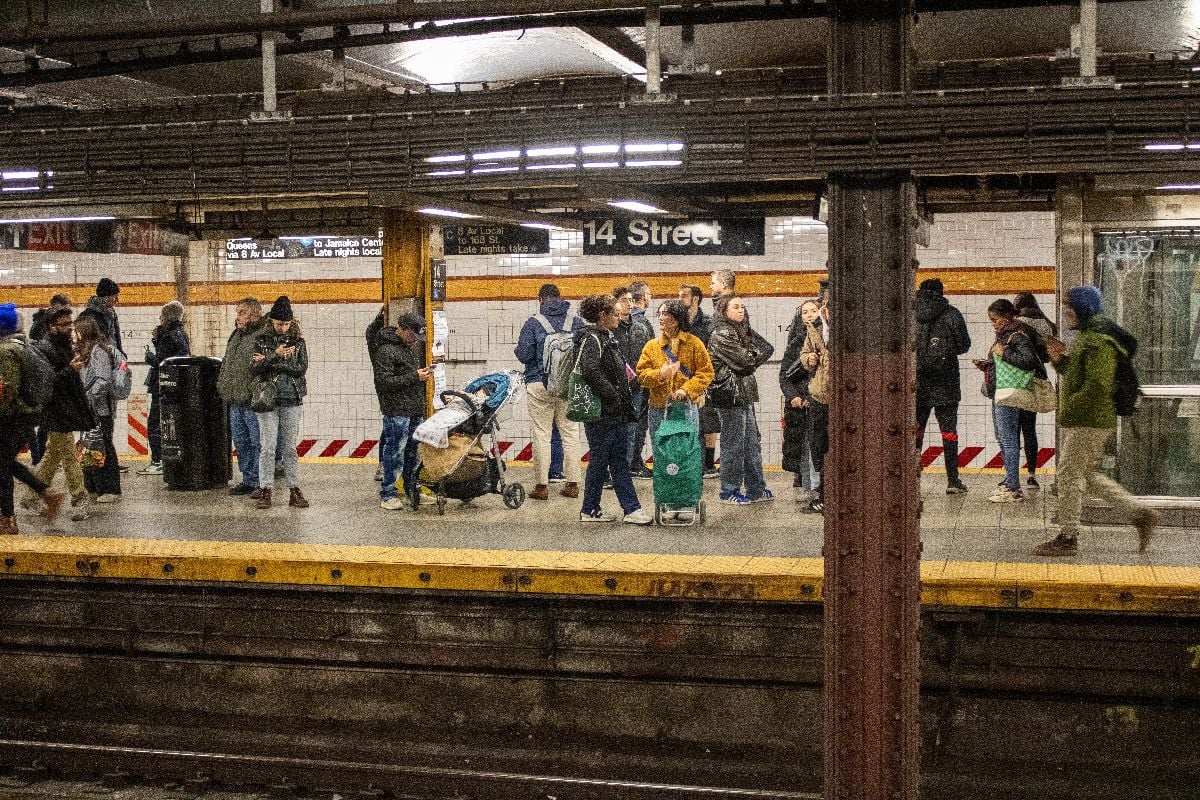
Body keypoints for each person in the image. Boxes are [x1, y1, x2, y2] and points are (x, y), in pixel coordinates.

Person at [1033, 286, 1159, 557]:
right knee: (1086, 474)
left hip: (1089, 420)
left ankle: (1068, 537)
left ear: (1083, 308)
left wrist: (1071, 407)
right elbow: (1077, 374)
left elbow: (1098, 384)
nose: (1066, 311)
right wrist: (1058, 360)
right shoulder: (1089, 336)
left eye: (1070, 305)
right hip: (1088, 418)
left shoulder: (1098, 340)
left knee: (1068, 474)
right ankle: (1139, 514)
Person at [574, 294, 652, 525]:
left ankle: (602, 509)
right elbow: (590, 371)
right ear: (603, 316)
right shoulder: (592, 340)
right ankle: (624, 509)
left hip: (611, 411)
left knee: (612, 460)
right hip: (602, 412)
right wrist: (613, 395)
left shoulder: (605, 338)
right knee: (605, 460)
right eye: (615, 314)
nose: (619, 318)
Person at [20, 307, 92, 522]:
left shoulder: (65, 346)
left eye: (70, 323)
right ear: (52, 327)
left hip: (66, 408)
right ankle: (80, 500)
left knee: (52, 456)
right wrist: (71, 370)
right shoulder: (44, 349)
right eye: (64, 324)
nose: (69, 327)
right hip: (55, 410)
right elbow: (47, 382)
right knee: (69, 457)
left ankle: (31, 497)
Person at [513, 283, 583, 501]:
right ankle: (572, 484)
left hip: (539, 383)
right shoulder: (576, 322)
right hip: (567, 386)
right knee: (570, 433)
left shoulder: (534, 322)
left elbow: (524, 355)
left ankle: (542, 487)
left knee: (541, 434)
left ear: (540, 299)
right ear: (561, 298)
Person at [0, 304, 64, 534]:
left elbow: (8, 388)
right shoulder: (23, 344)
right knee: (5, 463)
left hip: (11, 417)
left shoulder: (6, 350)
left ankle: (8, 519)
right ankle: (47, 496)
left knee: (3, 466)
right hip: (25, 415)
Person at [973, 299, 1044, 504]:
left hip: (1009, 392)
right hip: (1000, 391)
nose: (993, 324)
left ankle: (1013, 486)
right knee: (1003, 438)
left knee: (1009, 439)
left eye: (995, 320)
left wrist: (1004, 353)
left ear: (1005, 317)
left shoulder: (1017, 335)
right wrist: (987, 366)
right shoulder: (1005, 335)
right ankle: (1009, 480)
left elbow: (1028, 361)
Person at [707, 295, 773, 505]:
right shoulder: (721, 333)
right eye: (736, 307)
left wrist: (749, 357)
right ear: (724, 311)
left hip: (743, 394)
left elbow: (767, 349)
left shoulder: (742, 331)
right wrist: (750, 356)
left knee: (751, 443)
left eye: (743, 306)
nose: (741, 310)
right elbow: (744, 359)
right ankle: (729, 490)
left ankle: (756, 488)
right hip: (729, 395)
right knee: (733, 444)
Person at [250, 296, 310, 510]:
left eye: (286, 324)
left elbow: (301, 369)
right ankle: (265, 489)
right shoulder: (261, 341)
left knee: (289, 448)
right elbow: (254, 369)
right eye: (279, 324)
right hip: (268, 400)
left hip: (292, 398)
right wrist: (276, 355)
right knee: (267, 446)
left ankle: (294, 489)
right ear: (271, 322)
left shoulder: (299, 343)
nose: (283, 328)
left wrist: (271, 363)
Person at [915, 277, 972, 495]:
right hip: (946, 380)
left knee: (915, 431)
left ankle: (912, 479)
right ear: (941, 292)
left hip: (917, 382)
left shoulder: (909, 314)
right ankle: (953, 480)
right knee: (949, 432)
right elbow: (964, 345)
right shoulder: (952, 313)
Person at [373, 313, 433, 511]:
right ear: (403, 329)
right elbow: (383, 383)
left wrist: (420, 376)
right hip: (396, 410)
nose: (415, 341)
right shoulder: (385, 350)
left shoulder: (409, 349)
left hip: (414, 408)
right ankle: (387, 493)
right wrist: (414, 376)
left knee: (413, 453)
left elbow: (407, 377)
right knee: (395, 452)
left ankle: (412, 488)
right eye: (413, 336)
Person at [636, 300, 713, 438]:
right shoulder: (651, 346)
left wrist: (686, 389)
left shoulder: (694, 343)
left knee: (687, 451)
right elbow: (642, 375)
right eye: (658, 314)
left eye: (664, 314)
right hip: (659, 408)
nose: (660, 317)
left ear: (677, 318)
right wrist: (660, 374)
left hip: (686, 408)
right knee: (662, 453)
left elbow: (706, 373)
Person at [217, 297, 268, 497]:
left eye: (242, 312)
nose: (237, 317)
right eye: (237, 312)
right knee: (241, 442)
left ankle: (261, 483)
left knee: (258, 443)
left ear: (255, 315)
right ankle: (248, 479)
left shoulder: (262, 337)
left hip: (252, 400)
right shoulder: (236, 335)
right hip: (235, 399)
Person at [77, 278, 125, 474]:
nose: (116, 300)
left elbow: (116, 342)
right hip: (96, 375)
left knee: (107, 421)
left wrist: (121, 359)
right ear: (105, 296)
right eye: (114, 296)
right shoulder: (89, 316)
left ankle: (104, 460)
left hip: (109, 372)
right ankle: (98, 463)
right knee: (96, 425)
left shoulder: (110, 315)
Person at [139, 300, 190, 476]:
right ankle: (164, 459)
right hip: (173, 386)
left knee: (155, 423)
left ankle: (157, 461)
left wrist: (149, 357)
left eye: (161, 315)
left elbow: (162, 362)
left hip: (162, 386)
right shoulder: (180, 333)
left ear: (166, 317)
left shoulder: (169, 336)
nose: (159, 318)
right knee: (168, 424)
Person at [1013, 291, 1058, 490]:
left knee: (1012, 430)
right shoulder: (1047, 324)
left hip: (1017, 379)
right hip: (1036, 379)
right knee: (1029, 429)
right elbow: (1048, 357)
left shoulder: (1017, 324)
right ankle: (1032, 475)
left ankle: (1012, 477)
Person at [75, 315, 122, 504]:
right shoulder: (85, 351)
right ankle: (92, 486)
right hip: (89, 409)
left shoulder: (98, 351)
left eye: (77, 330)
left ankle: (110, 489)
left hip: (100, 409)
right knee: (89, 446)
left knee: (104, 447)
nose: (74, 334)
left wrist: (89, 397)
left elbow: (104, 380)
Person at [780, 300, 821, 505]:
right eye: (805, 312)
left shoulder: (825, 338)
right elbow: (784, 375)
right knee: (805, 447)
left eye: (813, 311)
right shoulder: (795, 343)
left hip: (818, 401)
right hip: (801, 404)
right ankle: (810, 486)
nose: (810, 315)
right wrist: (793, 396)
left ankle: (819, 487)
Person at [613, 286, 655, 478]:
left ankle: (626, 469)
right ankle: (616, 469)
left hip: (636, 386)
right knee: (615, 430)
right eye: (624, 300)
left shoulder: (639, 326)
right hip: (614, 387)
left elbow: (652, 352)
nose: (629, 304)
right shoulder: (611, 329)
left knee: (632, 428)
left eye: (631, 300)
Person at [800, 290, 831, 514]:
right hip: (820, 394)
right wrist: (808, 359)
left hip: (845, 398)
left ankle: (830, 493)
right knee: (819, 444)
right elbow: (806, 352)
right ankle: (823, 492)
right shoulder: (816, 326)